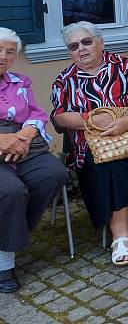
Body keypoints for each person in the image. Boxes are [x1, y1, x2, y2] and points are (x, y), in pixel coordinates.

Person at [51, 22, 128, 265]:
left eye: (87, 42)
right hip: (93, 144)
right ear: (69, 52)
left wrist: (126, 122)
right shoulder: (64, 80)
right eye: (74, 46)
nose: (82, 49)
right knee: (107, 165)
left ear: (100, 42)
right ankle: (120, 237)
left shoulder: (124, 65)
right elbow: (59, 116)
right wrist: (92, 119)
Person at [0, 28, 68, 293]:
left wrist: (25, 136)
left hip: (24, 142)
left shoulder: (20, 82)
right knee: (11, 190)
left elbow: (37, 115)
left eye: (9, 52)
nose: (3, 57)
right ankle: (5, 261)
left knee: (53, 174)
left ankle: (10, 234)